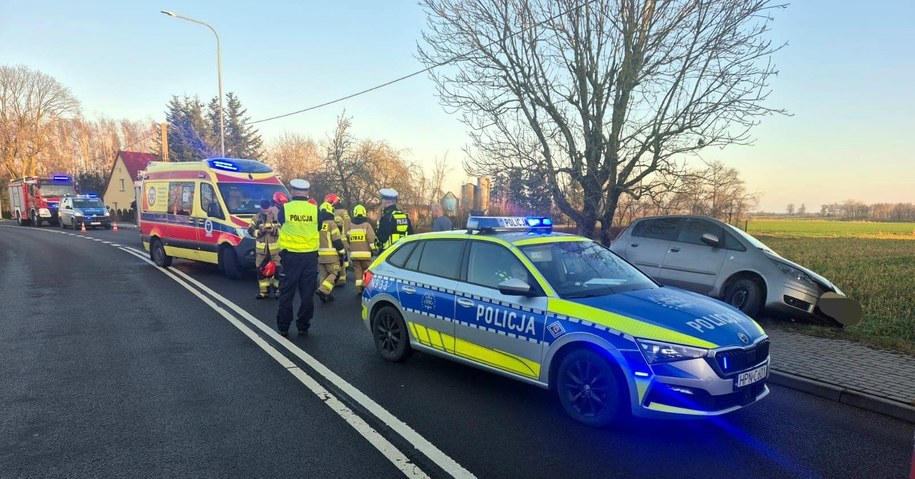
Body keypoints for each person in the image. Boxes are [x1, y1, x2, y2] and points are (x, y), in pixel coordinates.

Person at [275, 179, 320, 336]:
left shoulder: (285, 208)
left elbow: (280, 223)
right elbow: (319, 227)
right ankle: (303, 325)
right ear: (307, 193)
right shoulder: (315, 210)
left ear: (292, 192)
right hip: (310, 258)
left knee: (287, 293)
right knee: (307, 294)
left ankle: (284, 326)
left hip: (290, 258)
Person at [248, 198, 282, 299]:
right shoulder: (256, 218)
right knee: (261, 271)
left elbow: (284, 231)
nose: (266, 212)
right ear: (261, 208)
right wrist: (260, 231)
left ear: (270, 207)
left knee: (278, 271)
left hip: (275, 251)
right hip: (261, 251)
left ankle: (277, 291)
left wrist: (273, 231)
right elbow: (250, 231)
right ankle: (264, 292)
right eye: (264, 210)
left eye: (267, 210)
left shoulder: (277, 217)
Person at [317, 201, 347, 303]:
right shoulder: (332, 223)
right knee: (335, 273)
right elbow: (336, 240)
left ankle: (326, 295)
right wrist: (342, 251)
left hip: (320, 256)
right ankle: (323, 290)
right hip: (332, 256)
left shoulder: (318, 224)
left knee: (323, 275)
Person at [348, 204, 377, 294]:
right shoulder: (367, 225)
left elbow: (347, 237)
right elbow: (371, 239)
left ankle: (358, 289)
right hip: (365, 254)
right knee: (366, 270)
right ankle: (365, 287)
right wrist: (375, 250)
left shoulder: (350, 225)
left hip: (354, 255)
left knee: (357, 271)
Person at [375, 188, 413, 252]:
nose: (382, 202)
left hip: (388, 254)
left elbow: (382, 238)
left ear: (386, 201)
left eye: (382, 199)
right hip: (404, 253)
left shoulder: (387, 218)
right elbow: (411, 235)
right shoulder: (404, 217)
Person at [326, 193, 351, 287]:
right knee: (345, 258)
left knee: (339, 259)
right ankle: (343, 277)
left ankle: (339, 278)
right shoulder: (345, 212)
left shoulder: (335, 212)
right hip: (346, 238)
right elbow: (348, 224)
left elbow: (337, 226)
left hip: (338, 238)